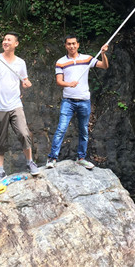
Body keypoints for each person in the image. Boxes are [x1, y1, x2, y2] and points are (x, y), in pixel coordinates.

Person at [46, 35, 109, 170]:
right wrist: (69, 84)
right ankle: (52, 158)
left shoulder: (87, 59)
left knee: (84, 130)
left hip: (84, 100)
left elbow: (104, 65)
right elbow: (59, 81)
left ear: (78, 45)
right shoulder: (61, 62)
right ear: (65, 46)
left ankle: (81, 158)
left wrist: (103, 54)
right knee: (61, 129)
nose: (72, 46)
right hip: (68, 101)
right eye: (69, 44)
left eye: (74, 43)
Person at [0, 32, 39, 181]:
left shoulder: (20, 62)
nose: (6, 42)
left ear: (16, 44)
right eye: (4, 39)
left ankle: (30, 162)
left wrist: (26, 83)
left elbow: (24, 79)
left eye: (9, 40)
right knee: (0, 139)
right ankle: (0, 171)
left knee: (24, 133)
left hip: (15, 105)